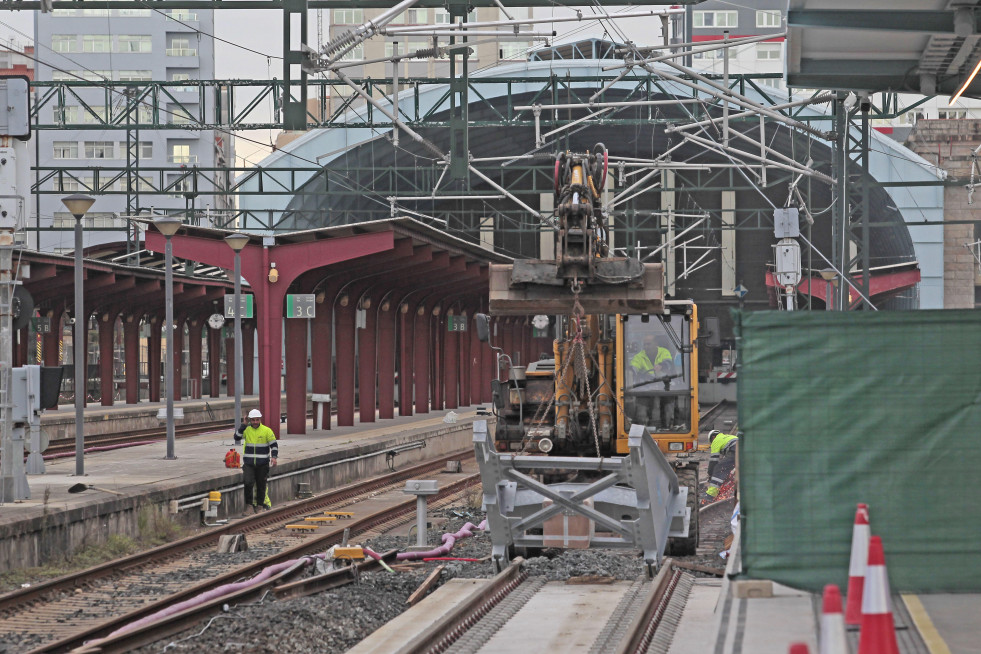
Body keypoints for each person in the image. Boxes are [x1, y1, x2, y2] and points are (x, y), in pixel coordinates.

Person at [234, 409, 278, 514]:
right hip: (249, 464)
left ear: (260, 419)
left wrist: (274, 457)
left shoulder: (267, 431)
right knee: (248, 483)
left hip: (262, 464)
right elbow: (236, 437)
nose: (255, 422)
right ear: (249, 420)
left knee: (261, 485)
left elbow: (274, 445)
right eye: (253, 420)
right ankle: (249, 506)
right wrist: (243, 425)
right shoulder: (246, 430)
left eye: (257, 420)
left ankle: (259, 506)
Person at [628, 335, 674, 428]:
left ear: (656, 344)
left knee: (669, 406)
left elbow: (668, 362)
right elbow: (634, 366)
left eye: (648, 344)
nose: (646, 347)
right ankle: (642, 426)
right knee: (641, 408)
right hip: (646, 388)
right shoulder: (640, 356)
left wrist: (662, 365)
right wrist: (631, 371)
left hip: (664, 386)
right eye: (644, 345)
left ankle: (669, 425)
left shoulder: (664, 352)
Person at [705, 429, 738, 501]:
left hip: (735, 450)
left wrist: (711, 473)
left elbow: (714, 460)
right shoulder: (729, 437)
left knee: (719, 469)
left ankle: (710, 495)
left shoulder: (716, 440)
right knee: (732, 472)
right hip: (745, 450)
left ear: (713, 437)